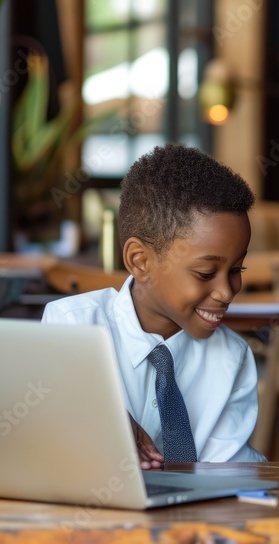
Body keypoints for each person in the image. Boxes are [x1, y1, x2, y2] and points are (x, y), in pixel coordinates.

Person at [43, 144, 265, 468]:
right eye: (205, 273)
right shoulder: (72, 328)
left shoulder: (232, 359)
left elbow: (226, 477)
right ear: (140, 261)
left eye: (236, 270)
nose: (226, 291)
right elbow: (46, 440)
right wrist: (97, 425)